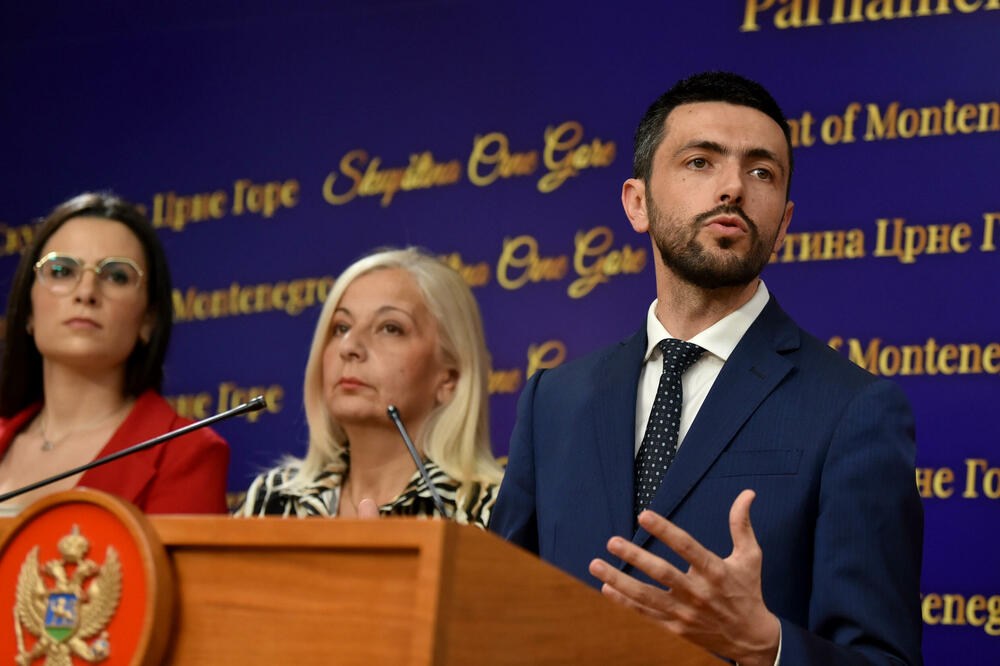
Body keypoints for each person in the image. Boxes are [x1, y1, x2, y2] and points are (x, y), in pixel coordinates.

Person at [490, 72, 922, 666]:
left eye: (762, 172)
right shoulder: (553, 400)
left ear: (784, 223)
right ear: (637, 203)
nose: (733, 188)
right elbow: (494, 614)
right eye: (700, 162)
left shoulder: (854, 410)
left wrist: (767, 645)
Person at [236, 247, 503, 527]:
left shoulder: (491, 513)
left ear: (450, 378)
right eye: (341, 327)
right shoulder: (273, 500)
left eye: (390, 328)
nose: (349, 347)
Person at [0, 192, 229, 514]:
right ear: (28, 310)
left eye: (117, 276)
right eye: (62, 271)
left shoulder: (184, 453)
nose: (86, 292)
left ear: (148, 319)